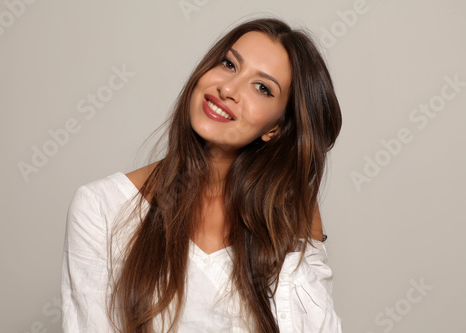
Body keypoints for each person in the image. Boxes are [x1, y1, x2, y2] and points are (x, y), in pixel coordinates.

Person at [62, 18, 343, 332]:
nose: (228, 89)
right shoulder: (102, 208)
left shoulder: (292, 219)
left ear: (275, 128)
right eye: (229, 64)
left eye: (262, 88)